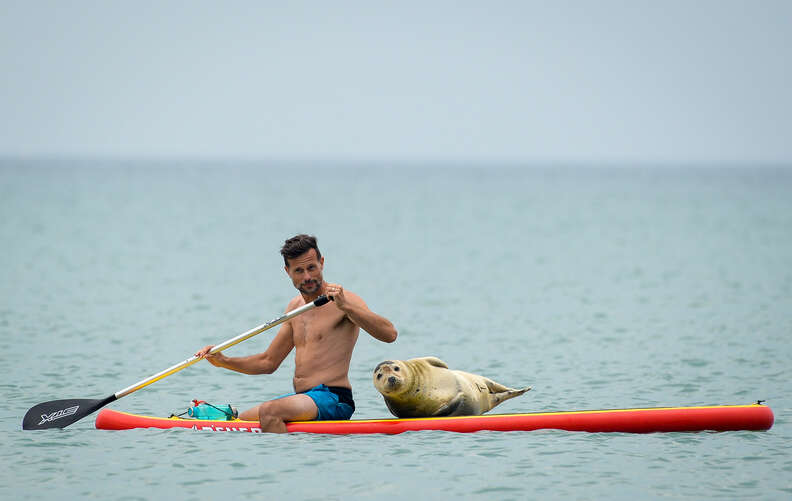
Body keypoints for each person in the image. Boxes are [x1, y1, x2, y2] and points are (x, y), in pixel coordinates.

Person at [195, 234, 397, 432]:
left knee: (269, 412)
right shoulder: (294, 308)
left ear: (322, 263)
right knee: (238, 421)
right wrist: (223, 361)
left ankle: (285, 464)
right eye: (299, 270)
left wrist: (347, 308)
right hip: (304, 399)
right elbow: (268, 362)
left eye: (311, 268)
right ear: (287, 271)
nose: (307, 276)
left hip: (333, 398)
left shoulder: (344, 300)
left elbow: (390, 334)